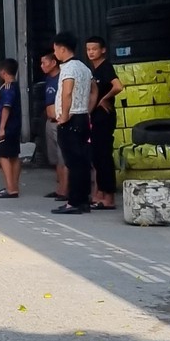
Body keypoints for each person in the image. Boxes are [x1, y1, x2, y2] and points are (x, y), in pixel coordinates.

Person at [50, 31, 95, 215]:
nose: (55, 54)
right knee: (83, 161)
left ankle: (73, 202)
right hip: (83, 117)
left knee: (73, 163)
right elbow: (94, 90)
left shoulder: (68, 69)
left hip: (71, 120)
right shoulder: (84, 68)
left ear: (62, 48)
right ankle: (83, 200)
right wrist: (88, 109)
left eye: (55, 50)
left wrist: (65, 115)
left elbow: (67, 92)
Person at [84, 35, 122, 211]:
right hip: (95, 118)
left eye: (94, 49)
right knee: (97, 157)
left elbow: (118, 86)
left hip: (104, 117)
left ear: (103, 50)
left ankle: (109, 198)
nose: (91, 52)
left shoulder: (106, 67)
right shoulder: (94, 69)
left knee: (104, 157)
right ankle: (99, 194)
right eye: (88, 49)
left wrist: (104, 99)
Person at [0, 58, 23, 198]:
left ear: (3, 72)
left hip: (8, 127)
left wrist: (2, 128)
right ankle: (13, 185)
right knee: (14, 156)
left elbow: (6, 108)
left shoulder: (8, 88)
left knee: (3, 156)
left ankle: (11, 188)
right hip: (15, 127)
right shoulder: (13, 86)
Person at [38, 52, 66, 200]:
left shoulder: (62, 78)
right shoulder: (49, 79)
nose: (42, 66)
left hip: (59, 121)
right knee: (55, 158)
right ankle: (60, 188)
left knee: (63, 158)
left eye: (44, 63)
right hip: (50, 121)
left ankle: (65, 189)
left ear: (54, 63)